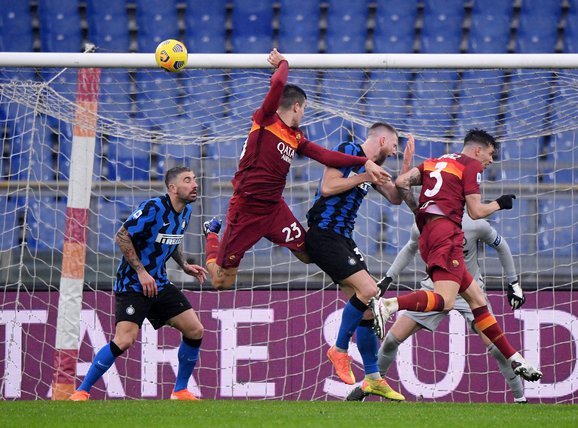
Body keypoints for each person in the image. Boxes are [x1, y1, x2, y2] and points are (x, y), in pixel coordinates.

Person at [203, 49, 390, 290]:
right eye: (304, 109)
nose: (304, 113)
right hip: (246, 210)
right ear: (296, 106)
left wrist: (364, 162)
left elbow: (325, 155)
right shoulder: (265, 120)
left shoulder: (296, 136)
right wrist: (284, 62)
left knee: (309, 254)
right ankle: (211, 234)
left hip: (274, 209)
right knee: (221, 282)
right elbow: (279, 81)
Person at [371, 128, 542, 382]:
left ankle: (515, 358)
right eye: (491, 154)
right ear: (478, 149)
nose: (491, 161)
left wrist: (420, 211)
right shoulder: (470, 166)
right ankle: (390, 305)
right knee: (446, 300)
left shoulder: (436, 162)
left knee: (477, 300)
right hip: (446, 233)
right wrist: (500, 203)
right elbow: (474, 212)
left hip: (428, 232)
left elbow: (401, 182)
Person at [347, 216, 528, 402]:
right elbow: (410, 247)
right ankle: (370, 387)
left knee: (497, 347)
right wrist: (388, 277)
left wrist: (513, 282)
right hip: (434, 291)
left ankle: (520, 399)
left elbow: (501, 245)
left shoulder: (475, 224)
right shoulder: (423, 223)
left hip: (470, 293)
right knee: (392, 340)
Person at [70, 166, 208, 401]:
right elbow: (122, 236)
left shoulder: (185, 212)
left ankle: (180, 391)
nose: (194, 184)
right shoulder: (153, 208)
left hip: (159, 284)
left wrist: (184, 264)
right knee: (124, 340)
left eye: (194, 179)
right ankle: (82, 391)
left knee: (195, 330)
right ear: (172, 188)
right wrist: (142, 272)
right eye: (187, 180)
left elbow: (171, 240)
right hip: (133, 284)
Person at [305, 123, 414, 401]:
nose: (393, 152)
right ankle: (339, 349)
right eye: (393, 147)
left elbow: (394, 198)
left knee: (369, 308)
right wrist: (365, 174)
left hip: (343, 238)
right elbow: (328, 187)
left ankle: (373, 378)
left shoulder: (374, 169)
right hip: (324, 233)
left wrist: (404, 170)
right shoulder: (347, 150)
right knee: (370, 291)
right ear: (381, 140)